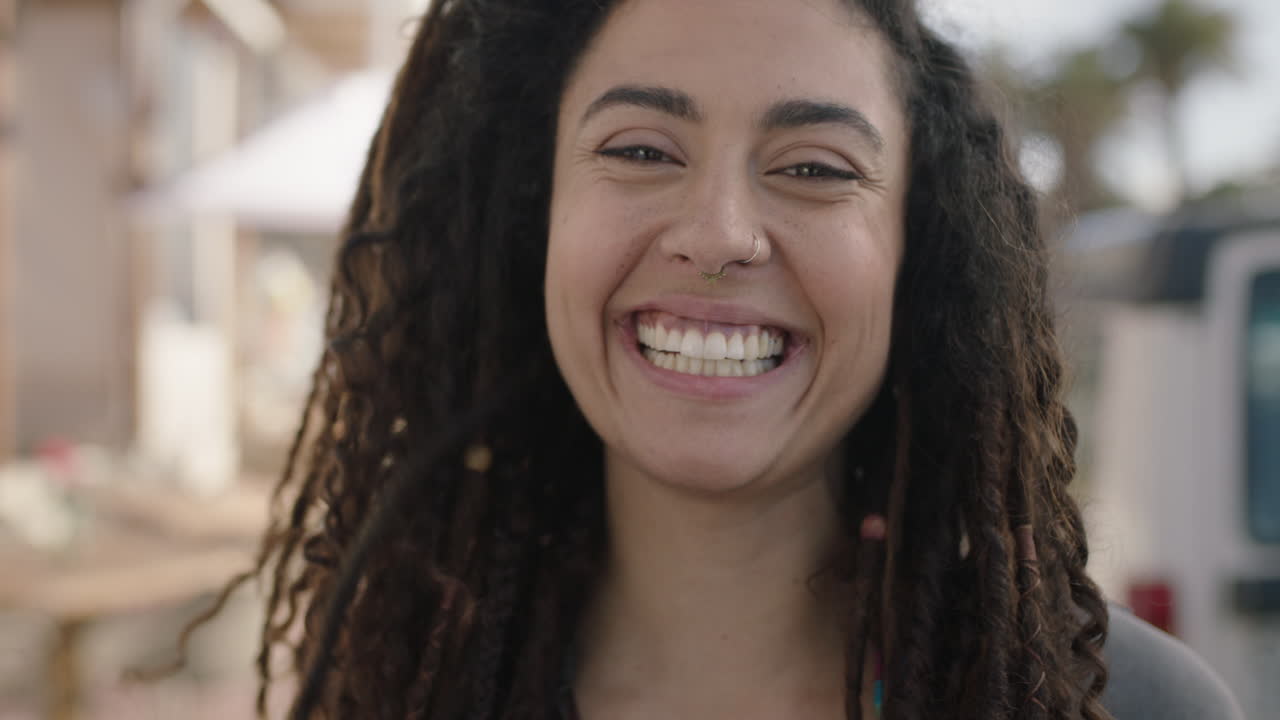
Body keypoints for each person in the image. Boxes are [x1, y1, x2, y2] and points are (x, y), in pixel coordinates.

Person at [183, 0, 1184, 717]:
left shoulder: (1119, 704)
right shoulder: (399, 683)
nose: (717, 235)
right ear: (534, 224)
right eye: (639, 150)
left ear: (913, 260)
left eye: (811, 169)